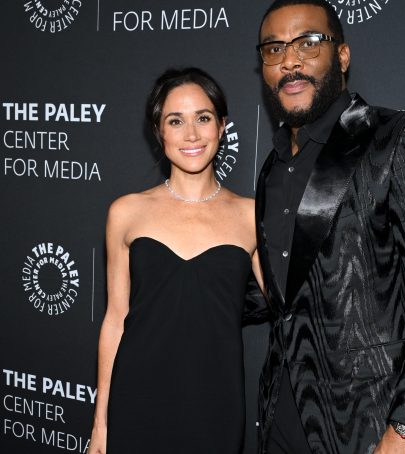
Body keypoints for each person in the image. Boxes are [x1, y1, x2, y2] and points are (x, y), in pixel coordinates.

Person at [253, 1, 405, 453]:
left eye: (308, 43)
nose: (290, 60)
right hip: (283, 418)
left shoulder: (403, 137)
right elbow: (287, 295)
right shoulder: (274, 167)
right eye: (274, 49)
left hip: (373, 426)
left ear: (343, 56)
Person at [87, 67, 263, 454]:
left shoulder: (252, 216)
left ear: (222, 125)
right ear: (159, 132)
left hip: (215, 405)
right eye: (175, 121)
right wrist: (101, 423)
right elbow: (116, 320)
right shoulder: (126, 212)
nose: (191, 134)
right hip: (137, 398)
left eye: (203, 118)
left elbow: (292, 315)